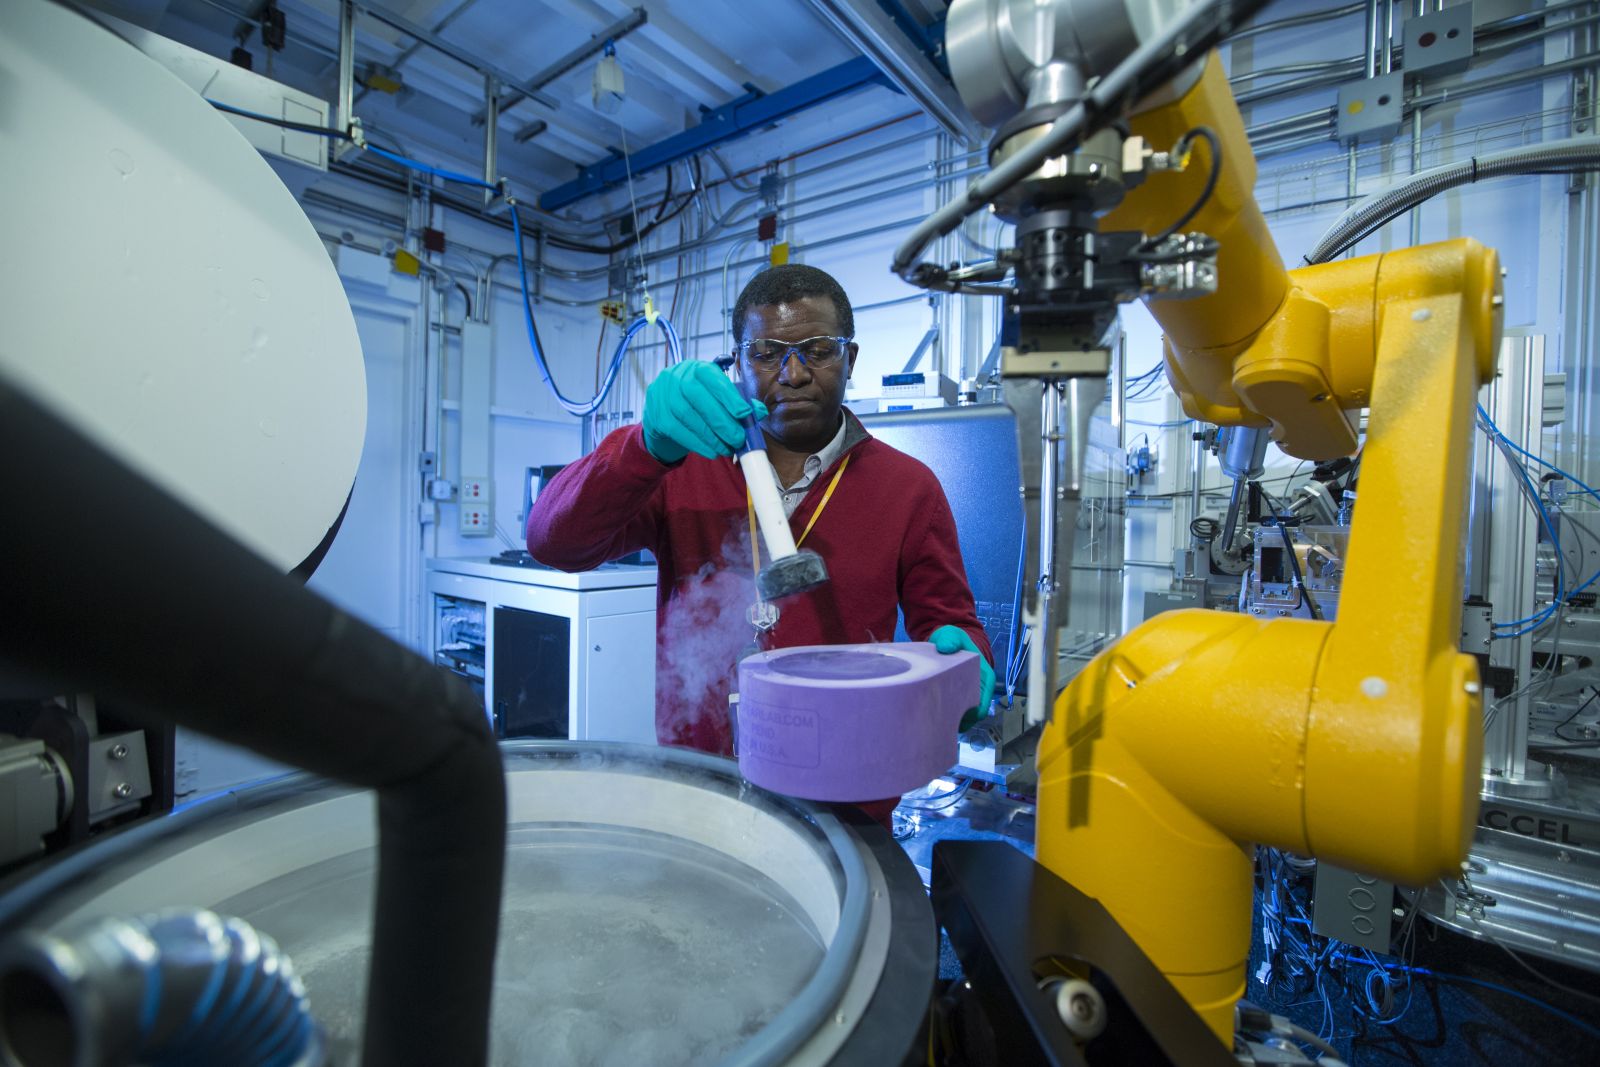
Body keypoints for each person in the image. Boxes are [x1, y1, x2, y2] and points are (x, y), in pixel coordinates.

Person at [526, 264, 994, 821]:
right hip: (702, 788)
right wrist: (642, 447)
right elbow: (552, 542)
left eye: (818, 349)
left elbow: (951, 621)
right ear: (739, 364)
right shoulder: (683, 468)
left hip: (845, 795)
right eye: (767, 353)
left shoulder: (908, 486)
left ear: (851, 359)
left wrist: (965, 658)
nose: (792, 374)